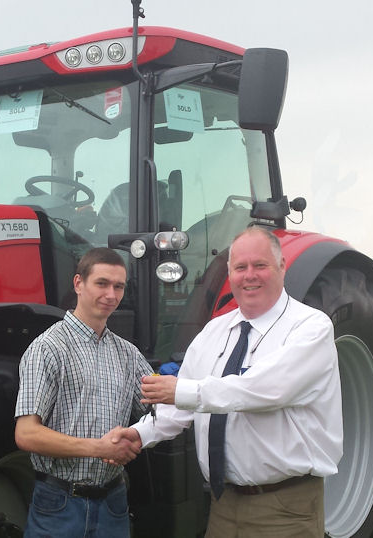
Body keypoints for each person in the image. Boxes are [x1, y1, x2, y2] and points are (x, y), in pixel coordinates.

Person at [125, 227, 342, 537]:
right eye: (240, 267)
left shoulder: (310, 327)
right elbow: (182, 406)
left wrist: (181, 391)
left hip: (284, 508)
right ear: (230, 274)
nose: (249, 275)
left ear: (281, 267)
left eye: (260, 265)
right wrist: (138, 434)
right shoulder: (215, 331)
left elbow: (262, 389)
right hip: (223, 503)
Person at [14, 247, 153, 537]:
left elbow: (158, 411)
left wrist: (136, 437)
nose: (111, 295)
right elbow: (26, 434)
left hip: (113, 502)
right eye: (101, 283)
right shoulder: (48, 348)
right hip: (60, 504)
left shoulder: (127, 353)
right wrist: (99, 448)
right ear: (78, 283)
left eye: (118, 286)